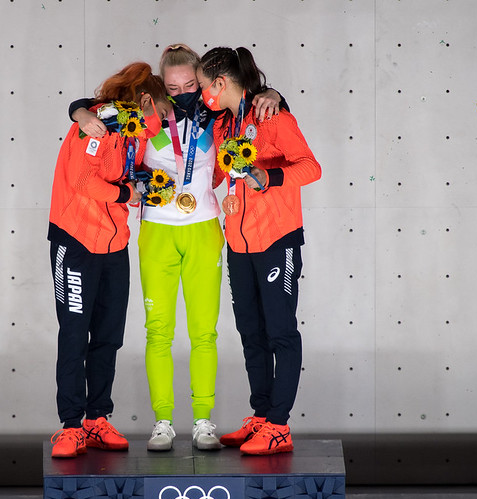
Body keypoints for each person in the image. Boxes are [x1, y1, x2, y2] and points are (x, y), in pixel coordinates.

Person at [70, 44, 284, 451]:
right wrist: (78, 112)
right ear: (160, 85)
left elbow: (251, 100)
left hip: (204, 230)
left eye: (190, 85)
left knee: (204, 333)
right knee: (158, 333)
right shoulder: (145, 111)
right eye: (173, 87)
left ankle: (203, 422)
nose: (183, 92)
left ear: (202, 82)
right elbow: (93, 107)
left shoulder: (217, 114)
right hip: (157, 233)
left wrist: (275, 94)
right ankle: (163, 423)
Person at [197, 46, 321, 455]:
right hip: (239, 242)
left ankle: (280, 426)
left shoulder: (273, 116)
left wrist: (270, 177)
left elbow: (311, 167)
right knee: (251, 333)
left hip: (276, 239)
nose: (202, 94)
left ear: (220, 83)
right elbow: (220, 173)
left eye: (203, 86)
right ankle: (262, 416)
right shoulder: (222, 124)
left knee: (280, 331)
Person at [48, 62, 171, 458]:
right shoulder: (97, 124)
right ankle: (71, 426)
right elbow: (82, 180)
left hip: (115, 245)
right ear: (145, 100)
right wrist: (126, 194)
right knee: (74, 334)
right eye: (161, 112)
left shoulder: (134, 131)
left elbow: (121, 174)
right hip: (76, 241)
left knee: (108, 336)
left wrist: (143, 185)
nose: (161, 122)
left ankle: (96, 419)